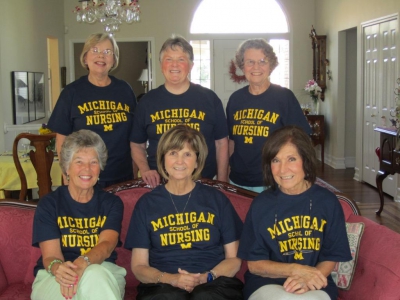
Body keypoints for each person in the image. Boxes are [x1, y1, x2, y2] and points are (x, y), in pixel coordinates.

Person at [125, 125, 244, 300]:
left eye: (187, 154)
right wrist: (171, 279)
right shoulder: (147, 204)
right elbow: (139, 266)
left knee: (205, 296)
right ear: (163, 158)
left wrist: (207, 276)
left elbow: (234, 259)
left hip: (214, 282)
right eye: (173, 153)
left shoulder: (217, 200)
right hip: (162, 284)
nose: (179, 161)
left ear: (197, 161)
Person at [238, 126, 351, 300]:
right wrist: (295, 270)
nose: (283, 170)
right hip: (267, 283)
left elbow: (331, 255)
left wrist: (309, 279)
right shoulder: (261, 205)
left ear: (305, 161)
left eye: (291, 159)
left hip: (314, 283)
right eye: (276, 160)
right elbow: (254, 265)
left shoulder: (327, 202)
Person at [31, 129, 126, 300]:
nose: (87, 169)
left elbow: (107, 245)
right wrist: (60, 270)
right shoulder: (49, 204)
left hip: (102, 270)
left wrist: (84, 263)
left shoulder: (111, 203)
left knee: (95, 275)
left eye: (93, 162)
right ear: (66, 167)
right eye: (79, 161)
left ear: (100, 168)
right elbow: (51, 256)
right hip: (56, 274)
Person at [130, 35, 228, 188]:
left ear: (191, 65)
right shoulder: (147, 102)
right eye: (168, 59)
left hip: (203, 182)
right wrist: (145, 170)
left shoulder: (209, 99)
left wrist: (222, 182)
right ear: (161, 64)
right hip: (160, 184)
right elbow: (137, 144)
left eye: (181, 59)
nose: (174, 65)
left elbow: (221, 143)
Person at [48, 33, 137, 188]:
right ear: (85, 58)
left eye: (107, 52)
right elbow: (62, 140)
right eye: (95, 50)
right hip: (84, 175)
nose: (101, 56)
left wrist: (136, 170)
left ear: (114, 59)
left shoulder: (125, 90)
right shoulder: (71, 92)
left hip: (122, 174)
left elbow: (135, 135)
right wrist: (65, 171)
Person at [226, 38, 311, 193]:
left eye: (262, 61)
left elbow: (302, 143)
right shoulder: (235, 100)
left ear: (271, 65)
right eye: (250, 61)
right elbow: (232, 142)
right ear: (242, 65)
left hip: (272, 181)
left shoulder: (284, 97)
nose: (256, 67)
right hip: (237, 181)